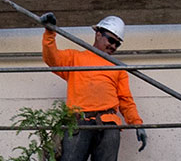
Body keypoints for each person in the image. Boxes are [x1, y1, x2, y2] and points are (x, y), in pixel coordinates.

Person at [41, 12, 147, 160]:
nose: (113, 46)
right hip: (79, 123)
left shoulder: (118, 67)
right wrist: (50, 32)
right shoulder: (75, 58)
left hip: (109, 126)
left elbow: (125, 100)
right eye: (111, 40)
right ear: (98, 34)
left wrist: (137, 124)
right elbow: (52, 58)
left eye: (117, 43)